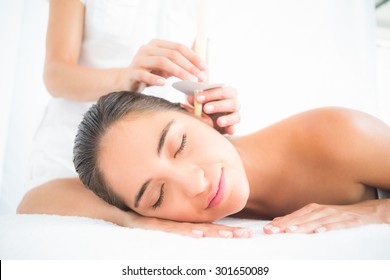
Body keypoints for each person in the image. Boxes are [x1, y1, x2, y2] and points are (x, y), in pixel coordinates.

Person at [17, 0, 245, 239]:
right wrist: (125, 79)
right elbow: (55, 73)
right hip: (70, 147)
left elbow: (197, 74)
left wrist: (207, 114)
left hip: (163, 145)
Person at [71, 91, 390, 236]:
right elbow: (37, 197)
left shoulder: (336, 134)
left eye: (180, 145)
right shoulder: (138, 206)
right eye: (158, 196)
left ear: (199, 115)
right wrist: (131, 221)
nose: (195, 185)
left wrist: (372, 212)